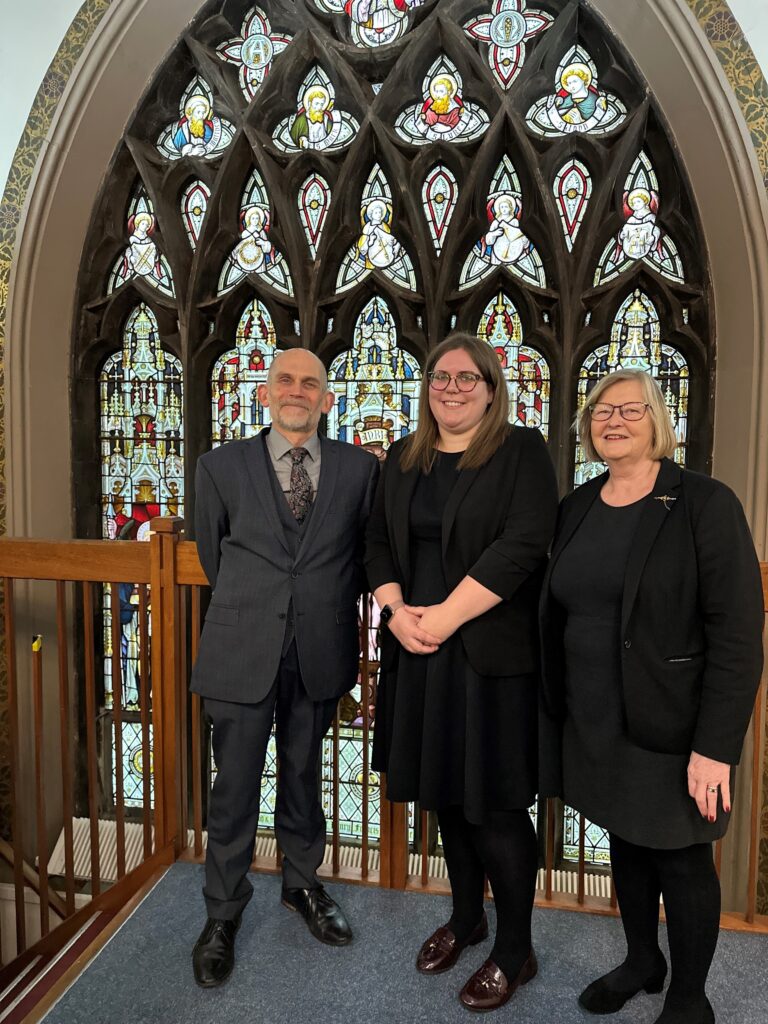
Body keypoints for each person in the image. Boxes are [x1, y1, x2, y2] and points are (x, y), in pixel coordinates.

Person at [539, 369, 763, 1024]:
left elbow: (738, 636)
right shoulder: (576, 506)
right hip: (594, 718)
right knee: (628, 840)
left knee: (682, 858)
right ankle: (643, 960)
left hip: (673, 725)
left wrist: (714, 749)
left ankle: (690, 1000)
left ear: (659, 422)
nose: (613, 420)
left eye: (630, 410)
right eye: (601, 412)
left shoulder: (703, 502)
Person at [365, 333, 558, 1012]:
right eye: (440, 377)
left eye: (466, 378)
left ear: (491, 386)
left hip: (487, 658)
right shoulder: (404, 459)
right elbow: (376, 543)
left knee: (496, 806)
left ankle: (515, 947)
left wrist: (445, 616)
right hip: (417, 652)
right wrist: (394, 612)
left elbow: (526, 544)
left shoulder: (521, 452)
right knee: (447, 796)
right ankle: (466, 917)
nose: (451, 388)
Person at [190, 348, 379, 987]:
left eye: (311, 383)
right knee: (234, 787)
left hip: (320, 649)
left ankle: (302, 886)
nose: (297, 390)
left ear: (327, 400)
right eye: (285, 380)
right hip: (242, 648)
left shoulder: (360, 470)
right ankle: (222, 913)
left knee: (304, 774)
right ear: (266, 394)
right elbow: (217, 557)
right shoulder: (218, 467)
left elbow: (360, 555)